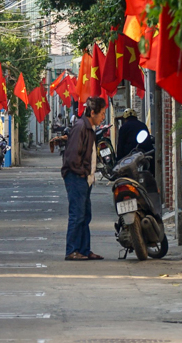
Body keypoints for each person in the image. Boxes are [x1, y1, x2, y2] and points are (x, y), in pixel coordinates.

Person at [61, 96, 106, 261]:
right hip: (77, 177)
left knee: (85, 215)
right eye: (101, 113)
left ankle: (84, 250)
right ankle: (72, 250)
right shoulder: (81, 127)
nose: (103, 117)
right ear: (92, 112)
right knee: (77, 215)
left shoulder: (89, 128)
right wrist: (81, 172)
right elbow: (73, 156)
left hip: (85, 178)